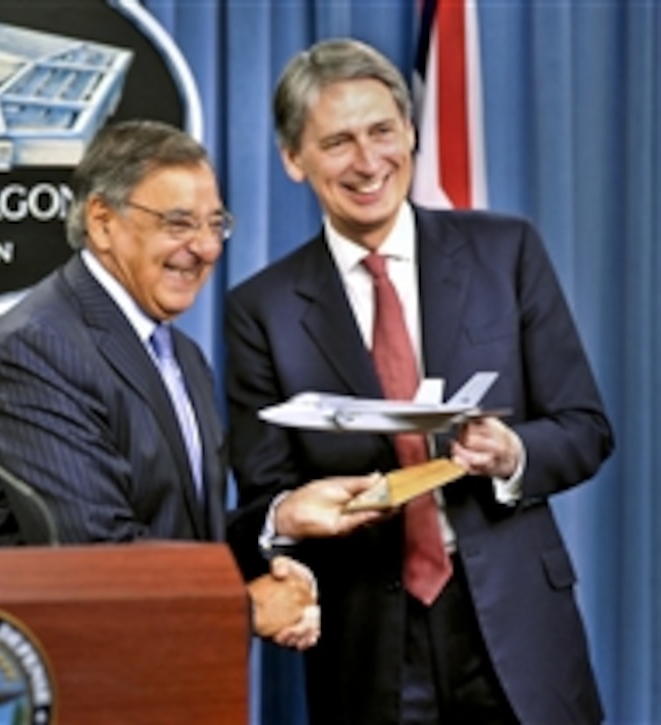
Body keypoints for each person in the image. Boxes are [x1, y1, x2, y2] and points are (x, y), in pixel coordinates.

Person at [225, 39, 614, 724]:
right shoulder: (263, 308)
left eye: (382, 131)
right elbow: (266, 494)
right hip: (366, 641)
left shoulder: (506, 251)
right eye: (338, 141)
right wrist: (295, 516)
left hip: (519, 626)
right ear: (294, 159)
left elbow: (585, 427)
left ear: (410, 131)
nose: (368, 161)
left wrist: (512, 454)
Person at [0, 119, 376, 649]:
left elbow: (182, 533)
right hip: (72, 680)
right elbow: (96, 558)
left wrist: (280, 519)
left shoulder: (182, 355)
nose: (207, 248)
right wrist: (246, 607)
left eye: (216, 225)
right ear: (103, 222)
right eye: (179, 224)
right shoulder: (38, 349)